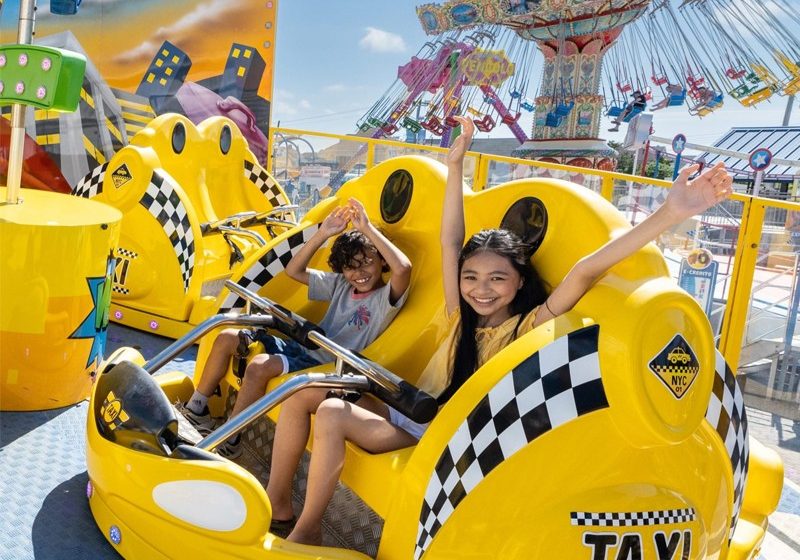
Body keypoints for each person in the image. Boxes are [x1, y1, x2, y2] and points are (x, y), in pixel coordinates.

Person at [266, 116, 733, 545]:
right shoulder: (458, 315)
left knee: (330, 413)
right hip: (408, 405)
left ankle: (305, 532)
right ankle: (276, 501)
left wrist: (672, 215)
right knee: (304, 390)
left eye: (497, 279)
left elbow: (587, 270)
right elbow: (452, 240)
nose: (480, 290)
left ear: (520, 282)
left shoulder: (528, 327)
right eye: (471, 278)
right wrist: (455, 165)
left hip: (437, 432)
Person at [177, 197, 412, 458]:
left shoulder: (384, 299)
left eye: (366, 262)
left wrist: (367, 228)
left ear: (381, 261)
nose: (359, 273)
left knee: (259, 366)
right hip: (304, 347)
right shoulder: (341, 285)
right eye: (350, 267)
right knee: (228, 337)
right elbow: (293, 270)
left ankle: (229, 440)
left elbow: (403, 268)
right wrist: (323, 233)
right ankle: (196, 409)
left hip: (325, 364)